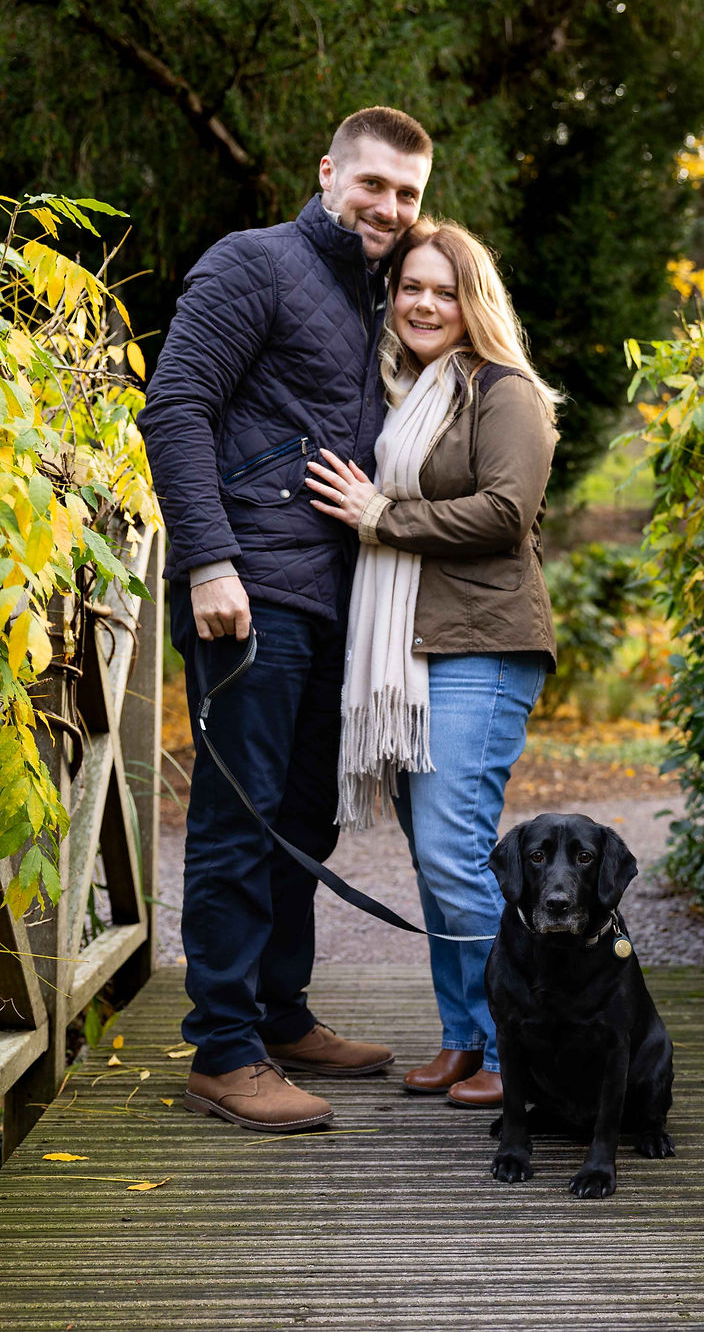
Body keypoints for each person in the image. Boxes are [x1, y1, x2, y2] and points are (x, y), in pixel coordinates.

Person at [137, 106, 433, 1132]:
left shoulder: (384, 298)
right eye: (373, 186)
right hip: (248, 594)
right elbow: (175, 407)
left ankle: (279, 1012)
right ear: (328, 175)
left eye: (406, 194)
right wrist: (210, 561)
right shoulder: (252, 262)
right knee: (238, 816)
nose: (388, 208)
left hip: (334, 602)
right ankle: (223, 1052)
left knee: (304, 816)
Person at [304, 218, 559, 1108]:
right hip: (416, 650)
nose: (423, 302)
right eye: (411, 286)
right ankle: (465, 1038)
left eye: (444, 289)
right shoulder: (405, 393)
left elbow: (505, 512)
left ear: (472, 300)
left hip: (482, 646)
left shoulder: (504, 391)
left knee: (453, 856)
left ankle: (521, 1048)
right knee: (435, 859)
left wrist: (382, 517)